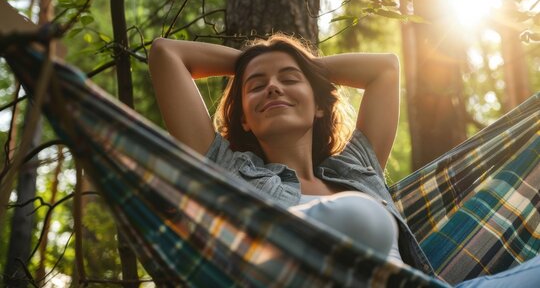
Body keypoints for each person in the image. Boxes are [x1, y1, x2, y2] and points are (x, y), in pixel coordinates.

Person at [149, 33, 539, 286]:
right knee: (357, 217)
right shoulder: (227, 172)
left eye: (288, 80)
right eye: (257, 86)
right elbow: (167, 54)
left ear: (319, 107)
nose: (272, 86)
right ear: (245, 121)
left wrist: (291, 65)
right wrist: (258, 58)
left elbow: (385, 68)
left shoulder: (355, 167)